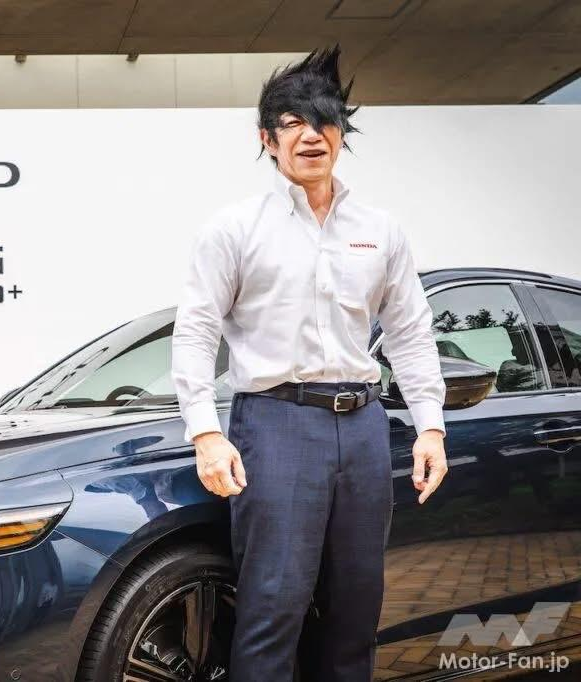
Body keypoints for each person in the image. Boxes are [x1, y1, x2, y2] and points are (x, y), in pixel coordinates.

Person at [170, 45, 449, 681]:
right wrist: (205, 433)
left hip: (365, 428)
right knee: (273, 606)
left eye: (324, 120)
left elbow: (410, 331)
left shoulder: (381, 229)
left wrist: (430, 425)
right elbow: (196, 331)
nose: (310, 135)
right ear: (267, 140)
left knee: (357, 607)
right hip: (277, 425)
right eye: (292, 122)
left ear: (342, 134)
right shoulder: (235, 228)